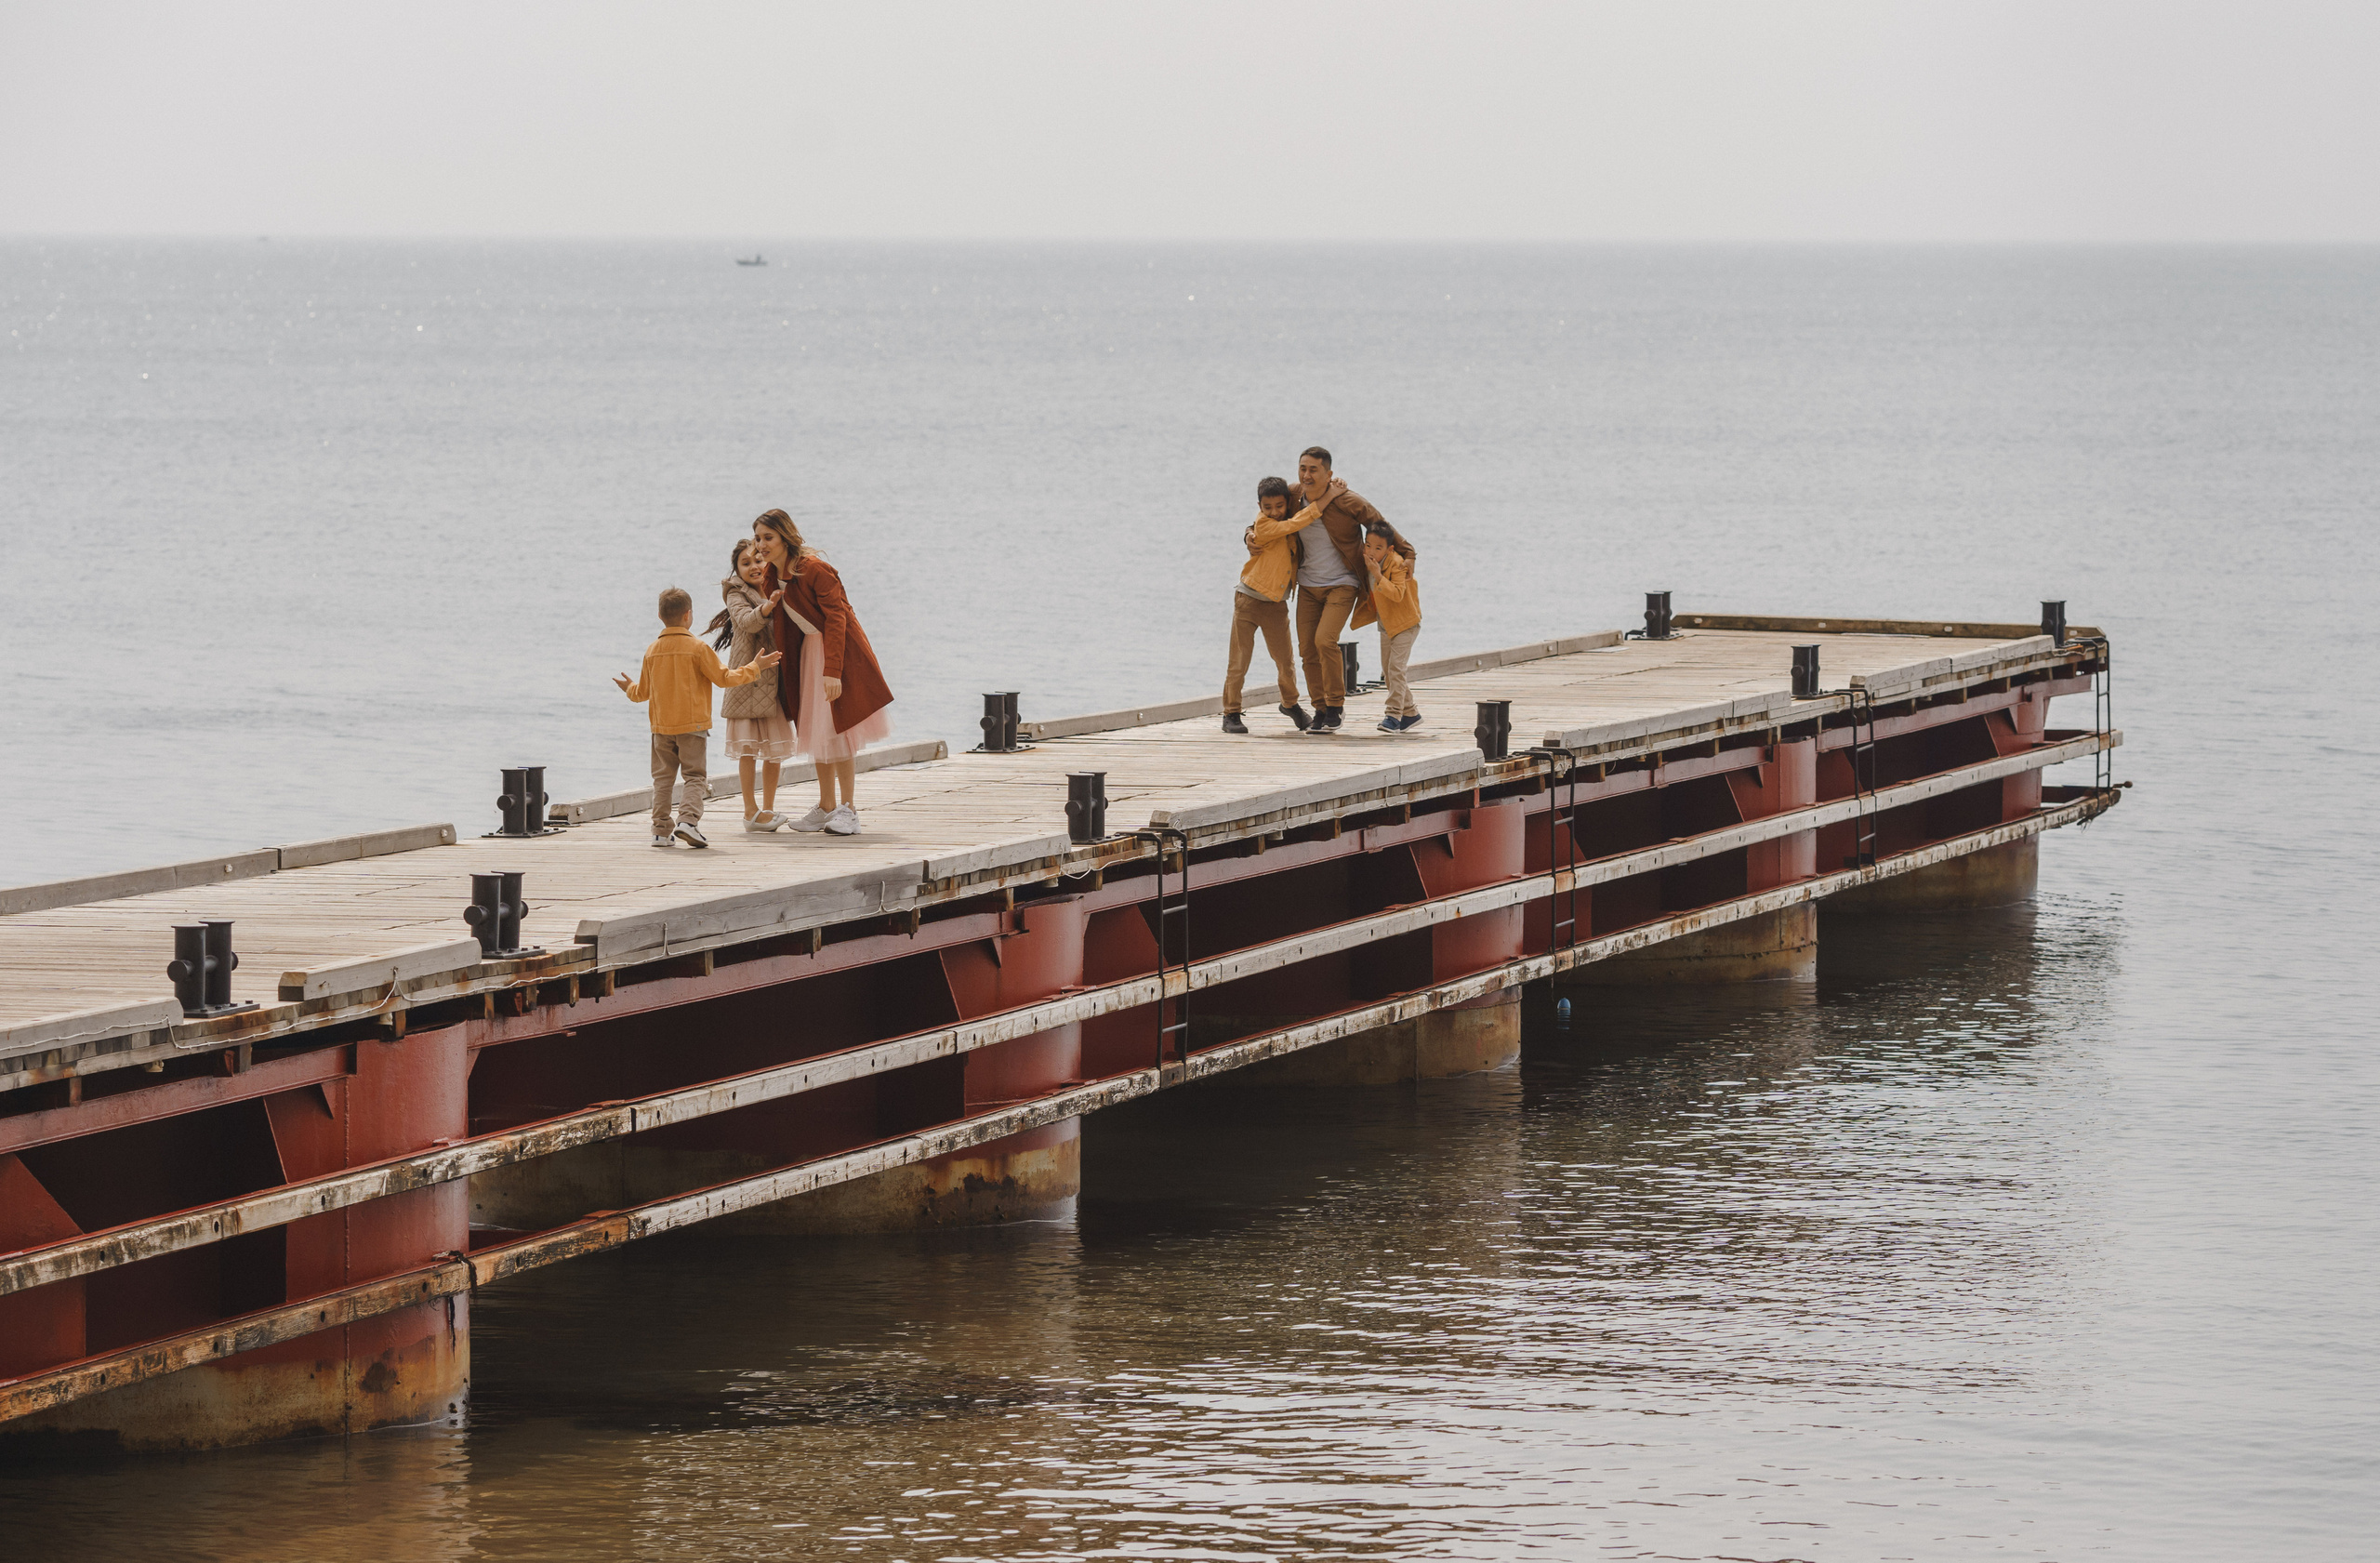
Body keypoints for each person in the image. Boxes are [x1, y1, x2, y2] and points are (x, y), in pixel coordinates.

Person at [749, 508, 894, 837]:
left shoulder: (815, 569)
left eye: (768, 538)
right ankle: (826, 807)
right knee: (818, 730)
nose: (761, 545)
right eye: (758, 538)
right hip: (807, 653)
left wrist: (833, 671)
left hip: (836, 651)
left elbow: (837, 619)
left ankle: (849, 809)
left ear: (785, 536)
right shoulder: (772, 574)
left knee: (838, 730)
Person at [614, 586, 780, 848]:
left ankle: (660, 831)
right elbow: (725, 678)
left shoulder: (652, 651)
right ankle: (688, 822)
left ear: (660, 617)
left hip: (660, 729)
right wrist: (754, 668)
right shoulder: (698, 648)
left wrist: (629, 689)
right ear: (688, 616)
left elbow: (642, 693)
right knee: (695, 777)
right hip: (693, 726)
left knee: (663, 779)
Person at [1287, 446, 1409, 733]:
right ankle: (1319, 708)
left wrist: (1408, 553)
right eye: (1302, 468)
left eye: (1313, 470)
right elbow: (1267, 512)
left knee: (1324, 640)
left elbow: (1379, 523)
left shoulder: (1347, 500)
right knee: (1307, 649)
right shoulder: (1293, 496)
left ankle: (1336, 706)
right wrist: (1249, 535)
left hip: (1342, 583)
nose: (1306, 475)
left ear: (1329, 475)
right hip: (1307, 585)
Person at [1222, 475, 1338, 734]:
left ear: (1287, 503)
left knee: (1285, 661)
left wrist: (1330, 485)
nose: (1274, 512)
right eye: (1267, 507)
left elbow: (1300, 497)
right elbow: (1302, 519)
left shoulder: (1286, 520)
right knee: (1239, 659)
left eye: (1279, 506)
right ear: (1259, 507)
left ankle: (1290, 704)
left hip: (1276, 604)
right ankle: (1231, 712)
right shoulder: (1265, 525)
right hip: (1248, 600)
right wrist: (1249, 532)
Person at [708, 538, 797, 831]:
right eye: (746, 563)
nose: (754, 567)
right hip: (747, 679)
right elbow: (745, 622)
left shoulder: (780, 582)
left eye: (758, 560)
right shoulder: (735, 593)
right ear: (737, 569)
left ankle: (768, 810)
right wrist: (767, 608)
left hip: (774, 682)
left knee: (774, 751)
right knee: (747, 750)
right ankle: (750, 811)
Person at [1353, 528, 1423, 730]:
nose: (1372, 551)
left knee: (1396, 669)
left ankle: (1393, 716)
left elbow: (1398, 593)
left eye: (1378, 548)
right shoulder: (1367, 561)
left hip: (1406, 623)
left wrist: (1377, 575)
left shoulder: (1398, 564)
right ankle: (1411, 713)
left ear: (1389, 548)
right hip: (1386, 624)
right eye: (1368, 546)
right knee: (1388, 670)